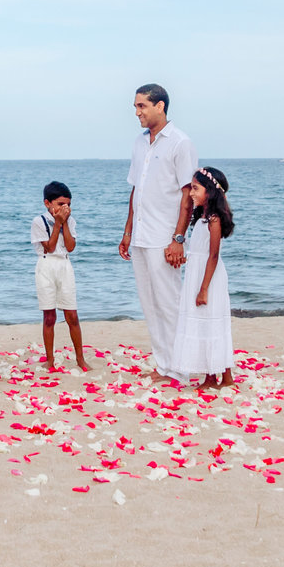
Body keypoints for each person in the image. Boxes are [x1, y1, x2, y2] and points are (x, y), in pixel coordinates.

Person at [119, 85, 199, 380]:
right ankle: (165, 366)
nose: (137, 112)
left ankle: (183, 368)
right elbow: (136, 189)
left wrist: (178, 239)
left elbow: (187, 194)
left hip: (164, 237)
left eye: (142, 106)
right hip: (141, 234)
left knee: (170, 303)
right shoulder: (140, 143)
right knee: (150, 304)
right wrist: (127, 231)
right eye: (136, 107)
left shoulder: (180, 143)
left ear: (160, 106)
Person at [172, 166, 237, 389]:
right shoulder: (202, 218)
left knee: (213, 323)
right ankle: (212, 376)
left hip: (209, 278)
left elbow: (213, 255)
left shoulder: (214, 220)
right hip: (198, 273)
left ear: (209, 191)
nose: (191, 192)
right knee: (204, 325)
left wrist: (204, 288)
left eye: (196, 188)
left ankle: (222, 377)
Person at [34, 181, 87, 373]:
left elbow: (70, 247)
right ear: (48, 203)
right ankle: (50, 359)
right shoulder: (39, 221)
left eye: (68, 205)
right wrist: (57, 223)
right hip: (46, 265)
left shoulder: (70, 221)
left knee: (72, 315)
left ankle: (80, 358)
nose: (65, 208)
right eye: (61, 204)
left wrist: (64, 223)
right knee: (49, 316)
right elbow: (50, 247)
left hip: (64, 265)